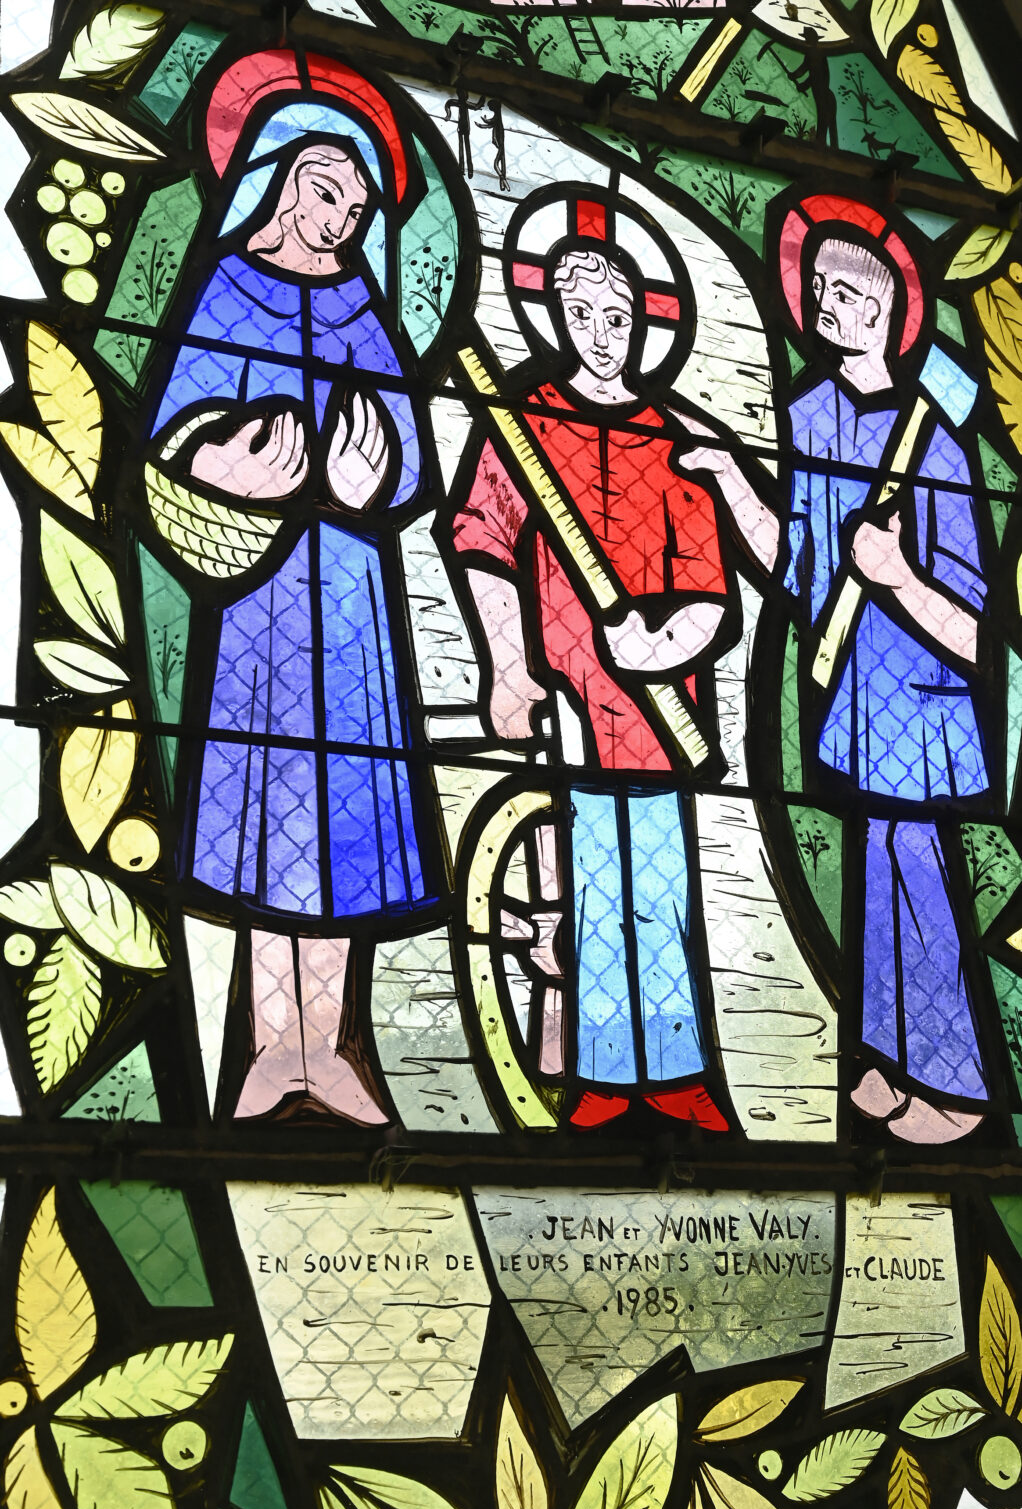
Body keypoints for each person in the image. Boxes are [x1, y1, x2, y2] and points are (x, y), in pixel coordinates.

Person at [451, 197, 776, 1129]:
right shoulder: (521, 421)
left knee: (658, 889)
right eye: (581, 313)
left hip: (661, 706)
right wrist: (506, 663)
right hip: (567, 695)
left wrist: (666, 643)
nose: (601, 333)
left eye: (618, 315)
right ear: (554, 316)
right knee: (588, 886)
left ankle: (675, 1076)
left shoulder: (675, 437)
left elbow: (710, 588)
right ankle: (600, 1074)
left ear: (643, 322)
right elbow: (480, 537)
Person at [149, 125, 438, 1123]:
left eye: (356, 212)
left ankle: (332, 1044)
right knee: (267, 816)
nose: (340, 222)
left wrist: (376, 474)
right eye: (326, 196)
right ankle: (273, 1046)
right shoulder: (227, 287)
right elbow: (174, 427)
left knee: (348, 823)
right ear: (282, 187)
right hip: (259, 600)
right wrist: (226, 463)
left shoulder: (361, 302)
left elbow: (409, 449)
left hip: (352, 596)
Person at [686, 199, 991, 1143]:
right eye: (819, 286)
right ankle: (889, 1063)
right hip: (854, 698)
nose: (829, 304)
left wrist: (899, 577)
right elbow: (797, 569)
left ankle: (956, 1084)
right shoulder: (808, 417)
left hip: (925, 707)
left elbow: (979, 630)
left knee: (921, 877)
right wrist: (731, 476)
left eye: (852, 292)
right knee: (874, 872)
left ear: (893, 309)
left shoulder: (938, 437)